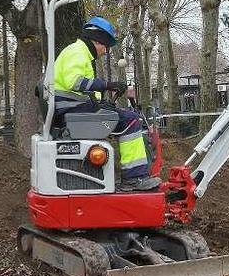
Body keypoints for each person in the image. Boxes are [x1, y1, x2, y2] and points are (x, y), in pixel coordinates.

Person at [53, 16, 160, 191]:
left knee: (120, 115)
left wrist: (102, 102)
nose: (105, 51)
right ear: (97, 40)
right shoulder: (78, 53)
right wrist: (107, 85)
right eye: (105, 46)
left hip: (72, 109)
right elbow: (75, 82)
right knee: (131, 120)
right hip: (73, 112)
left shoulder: (76, 52)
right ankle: (134, 178)